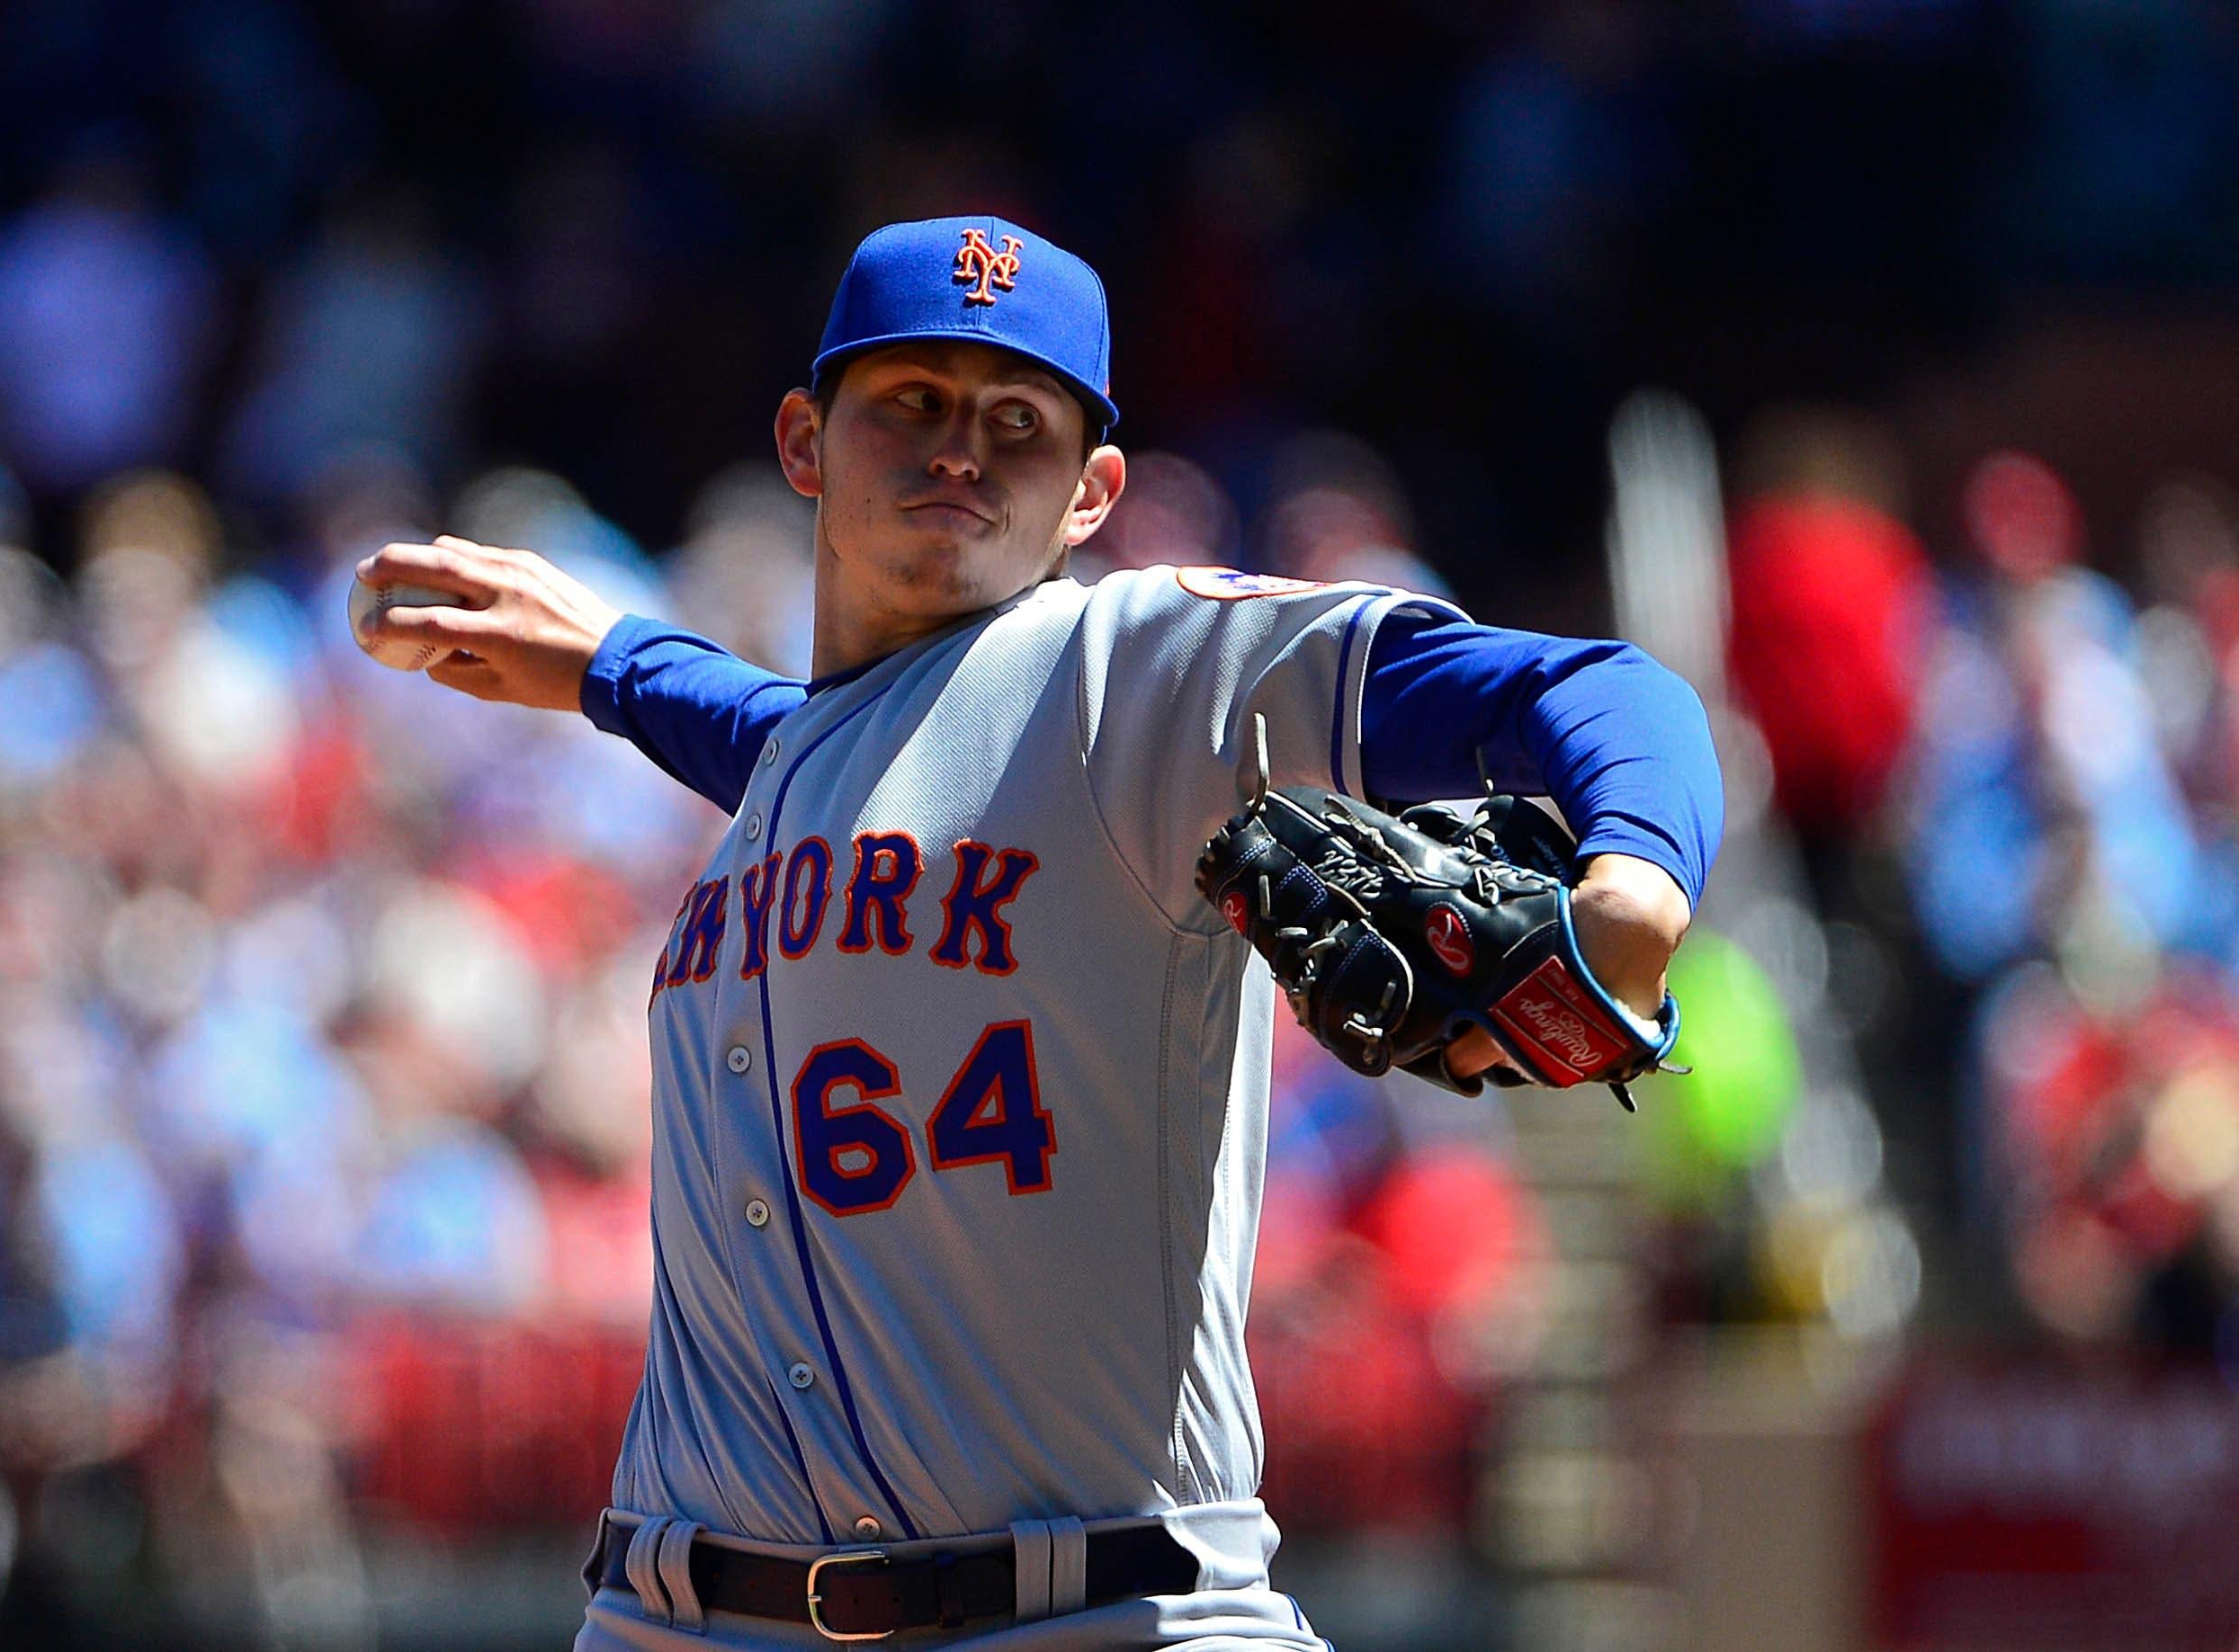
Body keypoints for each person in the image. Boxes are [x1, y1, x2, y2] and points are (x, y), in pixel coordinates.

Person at [357, 215, 1723, 1648]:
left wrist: (1632, 886)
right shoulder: (807, 767)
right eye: (914, 403)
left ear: (1091, 493)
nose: (962, 448)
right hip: (682, 1615)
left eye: (1019, 421)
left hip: (1095, 1611)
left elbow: (1606, 695)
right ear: (805, 444)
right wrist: (620, 667)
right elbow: (800, 736)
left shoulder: (1138, 672)